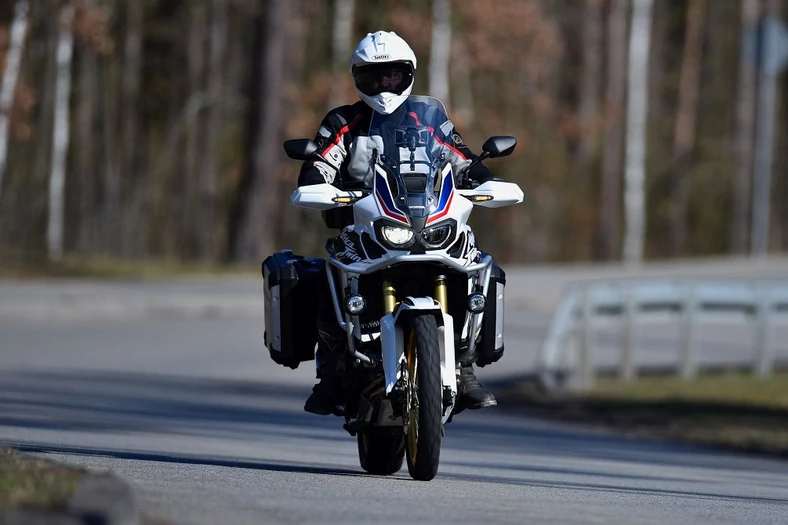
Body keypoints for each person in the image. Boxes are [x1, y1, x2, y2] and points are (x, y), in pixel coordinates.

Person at [298, 30, 504, 416]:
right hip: (366, 226)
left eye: (393, 75)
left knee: (480, 265)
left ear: (409, 74)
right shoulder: (344, 120)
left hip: (427, 220)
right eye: (375, 76)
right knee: (332, 271)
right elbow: (319, 161)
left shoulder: (429, 119)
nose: (385, 84)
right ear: (357, 77)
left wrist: (485, 179)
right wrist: (316, 183)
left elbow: (460, 156)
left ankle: (463, 367)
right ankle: (330, 375)